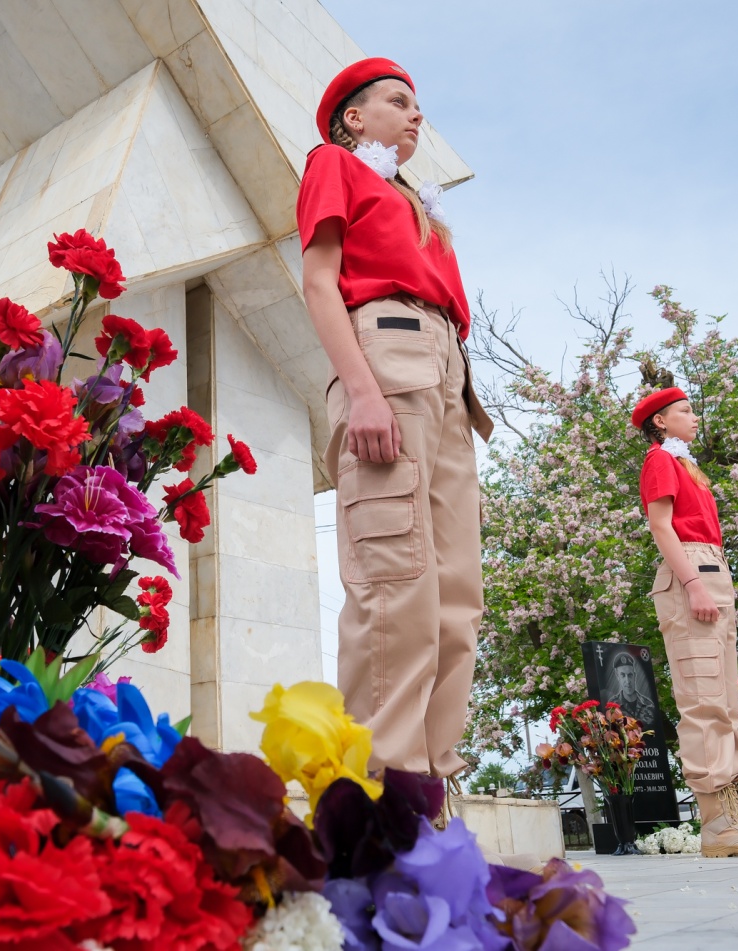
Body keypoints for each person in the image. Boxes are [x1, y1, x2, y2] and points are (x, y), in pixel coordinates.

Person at [298, 58, 493, 793]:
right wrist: (364, 392)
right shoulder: (335, 165)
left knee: (456, 598)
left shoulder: (418, 200)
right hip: (387, 355)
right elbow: (320, 281)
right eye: (397, 101)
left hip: (447, 371)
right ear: (354, 116)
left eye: (419, 105)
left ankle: (433, 791)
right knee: (397, 580)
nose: (416, 115)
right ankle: (383, 795)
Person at [634, 382, 738, 856]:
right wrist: (692, 583)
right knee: (704, 699)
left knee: (725, 702)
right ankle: (720, 823)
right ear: (660, 421)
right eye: (685, 411)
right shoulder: (660, 460)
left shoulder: (688, 465)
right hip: (692, 570)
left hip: (713, 569)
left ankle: (732, 819)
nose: (695, 417)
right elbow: (660, 526)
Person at [603, 653, 658, 727]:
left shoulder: (648, 704)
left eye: (630, 675)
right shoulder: (613, 705)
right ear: (617, 676)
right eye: (623, 675)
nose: (627, 681)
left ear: (635, 676)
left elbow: (656, 729)